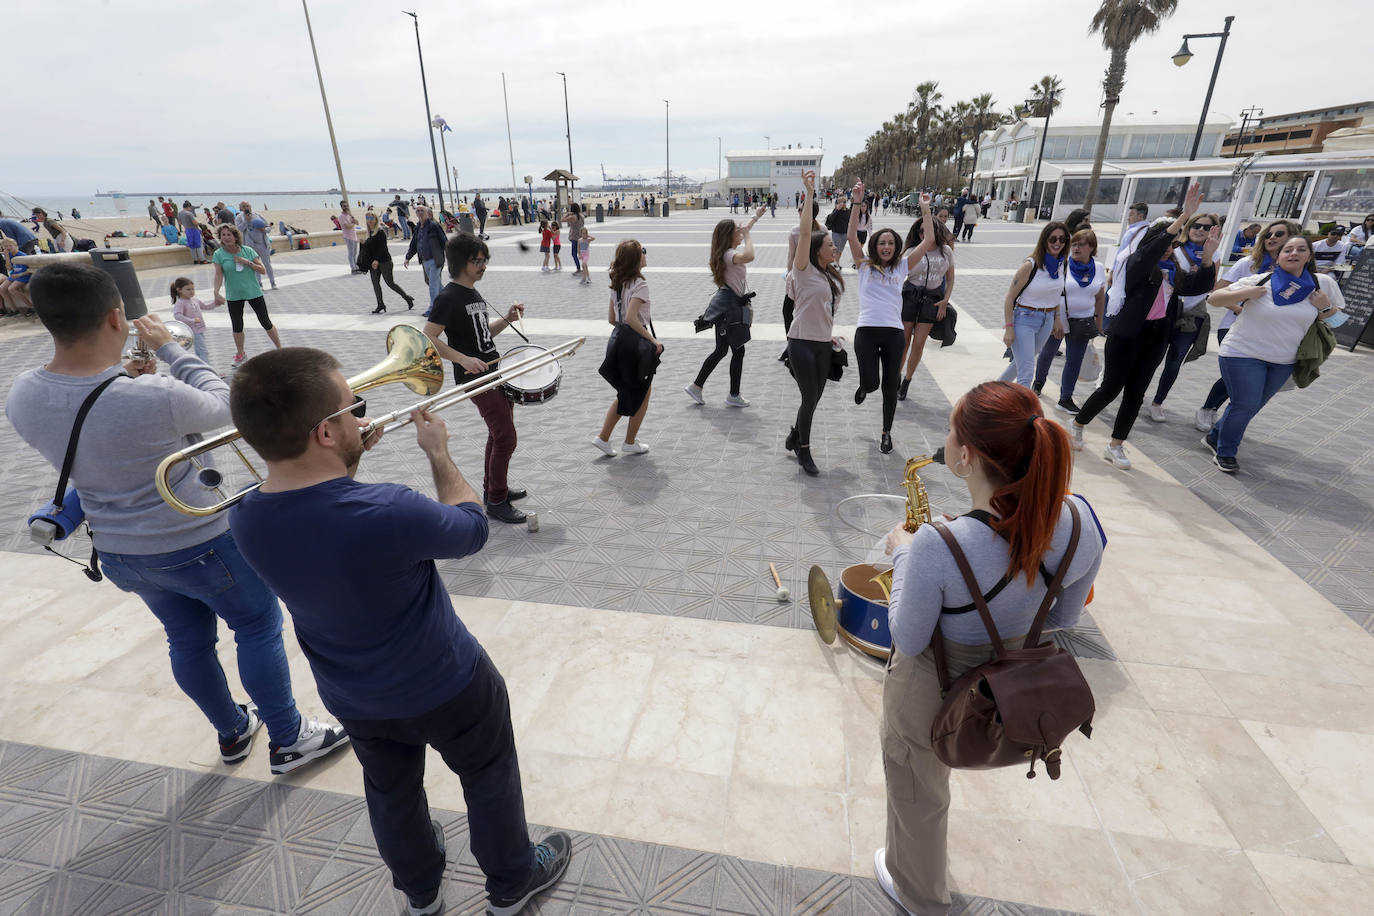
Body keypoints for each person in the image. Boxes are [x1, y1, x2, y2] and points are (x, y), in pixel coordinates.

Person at [227, 348, 572, 916]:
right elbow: (469, 530)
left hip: (354, 695)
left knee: (391, 793)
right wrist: (439, 454)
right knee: (488, 776)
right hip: (448, 681)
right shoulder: (386, 508)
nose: (360, 416)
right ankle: (512, 882)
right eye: (349, 409)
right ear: (324, 433)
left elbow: (319, 511)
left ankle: (420, 891)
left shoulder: (243, 516)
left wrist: (349, 456)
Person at [5, 263, 348, 778]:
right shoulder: (154, 395)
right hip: (201, 541)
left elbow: (100, 438)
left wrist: (127, 383)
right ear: (117, 317)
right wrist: (170, 348)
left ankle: (233, 731)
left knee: (187, 640)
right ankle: (288, 737)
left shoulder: (22, 393)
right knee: (257, 626)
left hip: (123, 553)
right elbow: (231, 406)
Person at [876, 380, 1103, 916]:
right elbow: (1066, 619)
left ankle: (919, 894)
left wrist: (903, 553)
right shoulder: (1082, 522)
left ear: (966, 457)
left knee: (919, 788)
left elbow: (907, 639)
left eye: (950, 431)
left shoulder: (938, 543)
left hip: (932, 684)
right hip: (1009, 684)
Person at [1070, 183, 1219, 470]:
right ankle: (1078, 424)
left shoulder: (1174, 272)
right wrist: (1181, 219)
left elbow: (1199, 286)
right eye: (1167, 242)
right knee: (1111, 388)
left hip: (1155, 339)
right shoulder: (1136, 264)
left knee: (1136, 394)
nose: (1171, 248)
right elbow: (1151, 252)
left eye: (1176, 244)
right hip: (1126, 336)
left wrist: (1209, 257)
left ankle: (1116, 445)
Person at [1202, 235, 1344, 473]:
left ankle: (1214, 436)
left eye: (1301, 249)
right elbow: (1214, 298)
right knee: (1245, 404)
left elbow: (1339, 320)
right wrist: (1245, 293)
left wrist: (1325, 307)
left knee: (1250, 406)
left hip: (1283, 360)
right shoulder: (1261, 280)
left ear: (1309, 255)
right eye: (1288, 250)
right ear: (1278, 257)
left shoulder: (1322, 284)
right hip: (1242, 352)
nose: (1294, 253)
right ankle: (1226, 451)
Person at [424, 233, 529, 523]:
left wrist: (507, 318)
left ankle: (494, 489)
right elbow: (428, 338)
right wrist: (462, 359)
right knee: (506, 437)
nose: (483, 266)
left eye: (485, 260)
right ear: (461, 262)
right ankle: (496, 501)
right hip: (476, 378)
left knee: (499, 434)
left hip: (494, 371)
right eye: (477, 261)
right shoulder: (448, 296)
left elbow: (483, 335)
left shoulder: (473, 293)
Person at [848, 183, 936, 453]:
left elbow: (929, 241)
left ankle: (886, 432)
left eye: (890, 243)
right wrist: (856, 203)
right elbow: (852, 236)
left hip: (894, 334)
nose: (886, 246)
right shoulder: (863, 265)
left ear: (896, 246)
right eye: (881, 243)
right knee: (873, 383)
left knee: (889, 386)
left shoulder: (902, 266)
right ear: (875, 246)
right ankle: (864, 386)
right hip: (866, 331)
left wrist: (925, 209)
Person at [1193, 220, 1298, 432]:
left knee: (1253, 382)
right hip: (1235, 326)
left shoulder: (1298, 273)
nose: (1272, 238)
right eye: (1268, 234)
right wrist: (1239, 307)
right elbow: (1216, 292)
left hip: (1271, 333)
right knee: (1239, 375)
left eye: (1279, 234)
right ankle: (1208, 409)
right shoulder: (1248, 264)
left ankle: (1228, 422)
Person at [785, 170, 843, 476]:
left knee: (815, 398)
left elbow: (827, 311)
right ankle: (804, 451)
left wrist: (831, 335)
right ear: (816, 249)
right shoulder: (804, 268)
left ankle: (795, 435)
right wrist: (809, 193)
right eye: (830, 245)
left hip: (822, 344)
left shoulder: (832, 276)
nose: (834, 248)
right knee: (809, 397)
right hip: (801, 343)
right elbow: (805, 232)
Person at [686, 207, 765, 408]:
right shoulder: (730, 254)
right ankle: (732, 394)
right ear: (729, 237)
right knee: (736, 351)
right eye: (737, 233)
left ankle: (698, 387)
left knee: (723, 350)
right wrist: (747, 237)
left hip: (726, 308)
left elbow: (744, 228)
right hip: (728, 309)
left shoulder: (725, 251)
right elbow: (750, 256)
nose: (740, 234)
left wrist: (756, 216)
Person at [1146, 212, 1222, 423]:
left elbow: (1210, 285)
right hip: (1166, 312)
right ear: (1188, 226)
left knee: (1174, 362)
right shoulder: (1176, 248)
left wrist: (1207, 257)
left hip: (1192, 314)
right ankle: (1137, 391)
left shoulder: (1214, 254)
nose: (1201, 230)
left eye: (1207, 227)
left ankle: (1158, 403)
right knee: (1153, 357)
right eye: (1197, 225)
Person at [593, 240, 660, 457]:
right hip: (635, 349)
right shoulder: (640, 285)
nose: (645, 254)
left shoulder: (618, 283)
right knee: (642, 392)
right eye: (643, 251)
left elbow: (613, 319)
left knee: (628, 392)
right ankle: (628, 441)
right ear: (636, 258)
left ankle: (604, 438)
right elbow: (632, 318)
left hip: (620, 343)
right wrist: (652, 341)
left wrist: (628, 331)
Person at [1031, 229, 1105, 415]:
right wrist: (1056, 320)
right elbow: (1052, 293)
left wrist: (1099, 321)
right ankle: (1038, 383)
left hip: (1083, 321)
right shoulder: (1062, 265)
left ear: (1092, 247)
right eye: (1074, 243)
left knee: (1074, 360)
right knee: (1048, 353)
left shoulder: (1099, 268)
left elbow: (1100, 297)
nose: (1076, 247)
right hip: (1059, 320)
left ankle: (1065, 398)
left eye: (1081, 244)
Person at [897, 204, 955, 401]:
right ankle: (895, 377)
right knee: (903, 342)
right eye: (920, 231)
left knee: (919, 344)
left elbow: (951, 278)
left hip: (932, 300)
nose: (923, 234)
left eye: (926, 231)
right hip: (910, 296)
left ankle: (907, 380)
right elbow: (899, 276)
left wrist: (945, 300)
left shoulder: (946, 251)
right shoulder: (912, 251)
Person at [1000, 223, 1069, 389]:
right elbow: (1009, 298)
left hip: (1047, 320)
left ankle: (988, 397)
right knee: (1027, 372)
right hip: (1024, 319)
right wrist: (1009, 327)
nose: (1057, 243)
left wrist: (1057, 319)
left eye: (1062, 239)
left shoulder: (1062, 264)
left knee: (1019, 365)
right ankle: (1023, 413)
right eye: (1053, 239)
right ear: (1044, 240)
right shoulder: (1030, 265)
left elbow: (1056, 295)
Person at [212, 224, 282, 367]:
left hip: (253, 292)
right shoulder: (219, 254)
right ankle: (241, 353)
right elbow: (218, 274)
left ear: (235, 236)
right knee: (237, 326)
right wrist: (216, 292)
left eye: (229, 235)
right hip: (234, 294)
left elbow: (262, 270)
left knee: (265, 322)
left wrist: (247, 262)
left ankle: (280, 351)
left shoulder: (248, 251)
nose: (226, 238)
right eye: (223, 235)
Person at [1105, 202, 1151, 332]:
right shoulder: (1148, 229)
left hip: (1122, 271)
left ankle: (1106, 326)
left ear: (1140, 216)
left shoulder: (1132, 231)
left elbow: (1121, 255)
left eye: (1131, 214)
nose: (1128, 218)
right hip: (1134, 272)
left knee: (1112, 296)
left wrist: (1113, 272)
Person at [360, 213, 415, 314]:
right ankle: (380, 304)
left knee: (390, 283)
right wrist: (363, 243)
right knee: (375, 284)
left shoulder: (380, 231)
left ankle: (407, 298)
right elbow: (369, 249)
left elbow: (382, 248)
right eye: (367, 218)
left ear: (376, 219)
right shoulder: (369, 233)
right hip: (373, 264)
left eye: (371, 218)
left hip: (384, 261)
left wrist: (376, 259)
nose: (369, 220)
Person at [404, 205, 448, 314]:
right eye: (417, 211)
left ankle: (433, 309)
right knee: (436, 284)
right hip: (425, 261)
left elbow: (444, 241)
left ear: (428, 213)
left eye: (422, 210)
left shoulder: (434, 226)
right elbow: (414, 244)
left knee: (433, 286)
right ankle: (450, 300)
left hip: (435, 260)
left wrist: (452, 256)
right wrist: (408, 257)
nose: (420, 212)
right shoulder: (418, 227)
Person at [171, 277, 218, 362]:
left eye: (193, 289)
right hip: (192, 331)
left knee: (199, 351)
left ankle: (201, 370)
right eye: (188, 289)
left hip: (199, 330)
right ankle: (208, 371)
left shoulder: (194, 299)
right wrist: (192, 321)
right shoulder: (180, 302)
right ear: (179, 290)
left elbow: (206, 307)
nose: (192, 291)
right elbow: (177, 316)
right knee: (203, 351)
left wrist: (216, 303)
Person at [563, 204, 585, 277]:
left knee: (574, 254)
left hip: (575, 237)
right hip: (581, 236)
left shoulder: (572, 217)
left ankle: (578, 268)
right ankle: (584, 267)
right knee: (582, 253)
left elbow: (562, 219)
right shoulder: (582, 216)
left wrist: (568, 213)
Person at [339, 201, 361, 273]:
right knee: (351, 253)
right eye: (344, 206)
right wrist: (353, 223)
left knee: (354, 253)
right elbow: (347, 226)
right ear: (341, 207)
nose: (346, 207)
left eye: (346, 206)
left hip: (354, 236)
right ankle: (353, 268)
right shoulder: (341, 217)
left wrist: (353, 219)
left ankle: (356, 266)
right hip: (348, 237)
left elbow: (357, 222)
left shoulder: (349, 215)